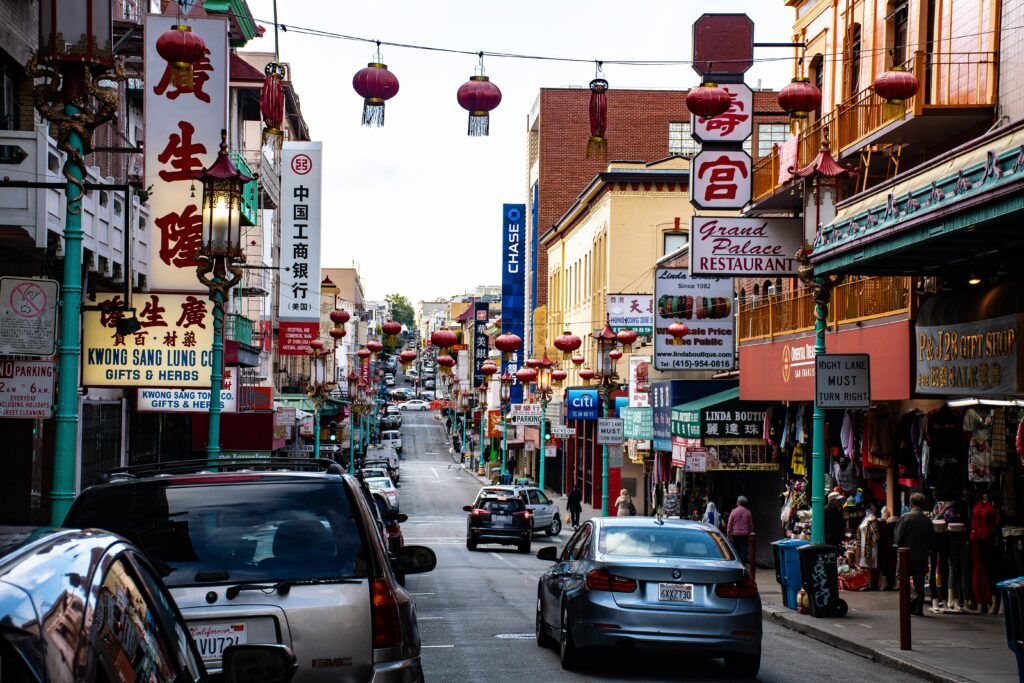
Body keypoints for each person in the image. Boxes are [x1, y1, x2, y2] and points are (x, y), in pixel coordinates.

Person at [894, 492, 935, 616]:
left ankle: (907, 605)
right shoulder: (928, 521)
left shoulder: (905, 518)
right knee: (919, 582)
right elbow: (931, 541)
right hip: (922, 556)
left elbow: (897, 537)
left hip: (906, 555)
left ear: (910, 503)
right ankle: (919, 608)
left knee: (904, 581)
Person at [727, 496, 753, 564]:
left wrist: (728, 534)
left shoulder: (733, 511)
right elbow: (750, 525)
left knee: (735, 551)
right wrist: (751, 534)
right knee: (743, 551)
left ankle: (736, 564)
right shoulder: (748, 512)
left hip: (735, 534)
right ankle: (742, 567)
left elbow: (729, 524)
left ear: (738, 502)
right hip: (745, 535)